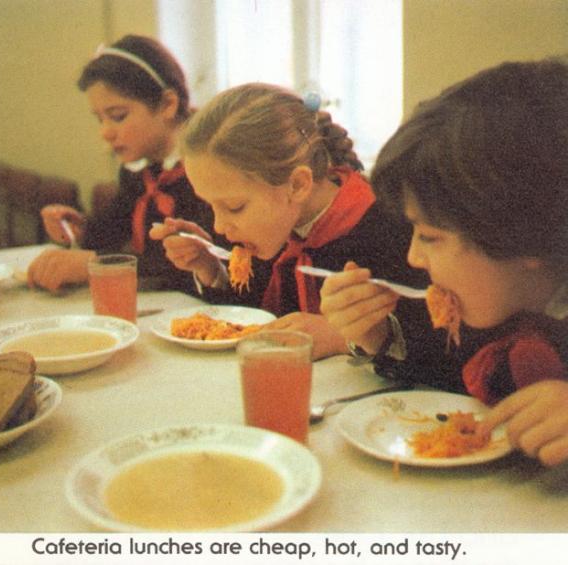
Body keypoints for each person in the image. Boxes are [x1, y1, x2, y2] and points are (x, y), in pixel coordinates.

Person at [320, 57, 568, 465]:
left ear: (524, 234)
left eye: (430, 237)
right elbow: (443, 372)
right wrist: (379, 337)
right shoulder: (497, 301)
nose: (413, 257)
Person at [151, 82, 427, 360]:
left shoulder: (392, 231)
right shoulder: (279, 226)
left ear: (297, 185)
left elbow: (436, 350)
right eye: (210, 205)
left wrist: (343, 338)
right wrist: (212, 270)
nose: (219, 226)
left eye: (234, 207)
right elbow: (255, 316)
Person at [28, 35, 214, 294]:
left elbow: (192, 264)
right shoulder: (138, 170)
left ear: (168, 104)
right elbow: (112, 231)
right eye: (100, 119)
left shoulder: (209, 169)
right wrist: (78, 230)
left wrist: (97, 264)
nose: (105, 132)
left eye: (117, 116)